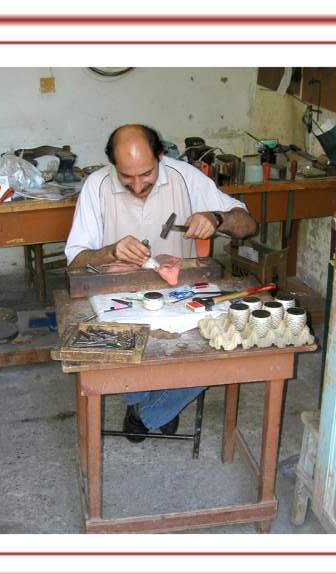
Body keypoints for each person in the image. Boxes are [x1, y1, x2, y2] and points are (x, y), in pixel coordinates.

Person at [65, 124, 256, 442]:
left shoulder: (185, 176)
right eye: (126, 177)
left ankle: (149, 411)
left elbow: (248, 225)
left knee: (221, 347)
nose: (138, 186)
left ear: (160, 156)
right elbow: (75, 261)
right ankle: (150, 400)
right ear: (113, 164)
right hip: (120, 297)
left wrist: (217, 218)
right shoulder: (96, 185)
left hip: (183, 294)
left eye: (146, 174)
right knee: (116, 348)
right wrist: (109, 251)